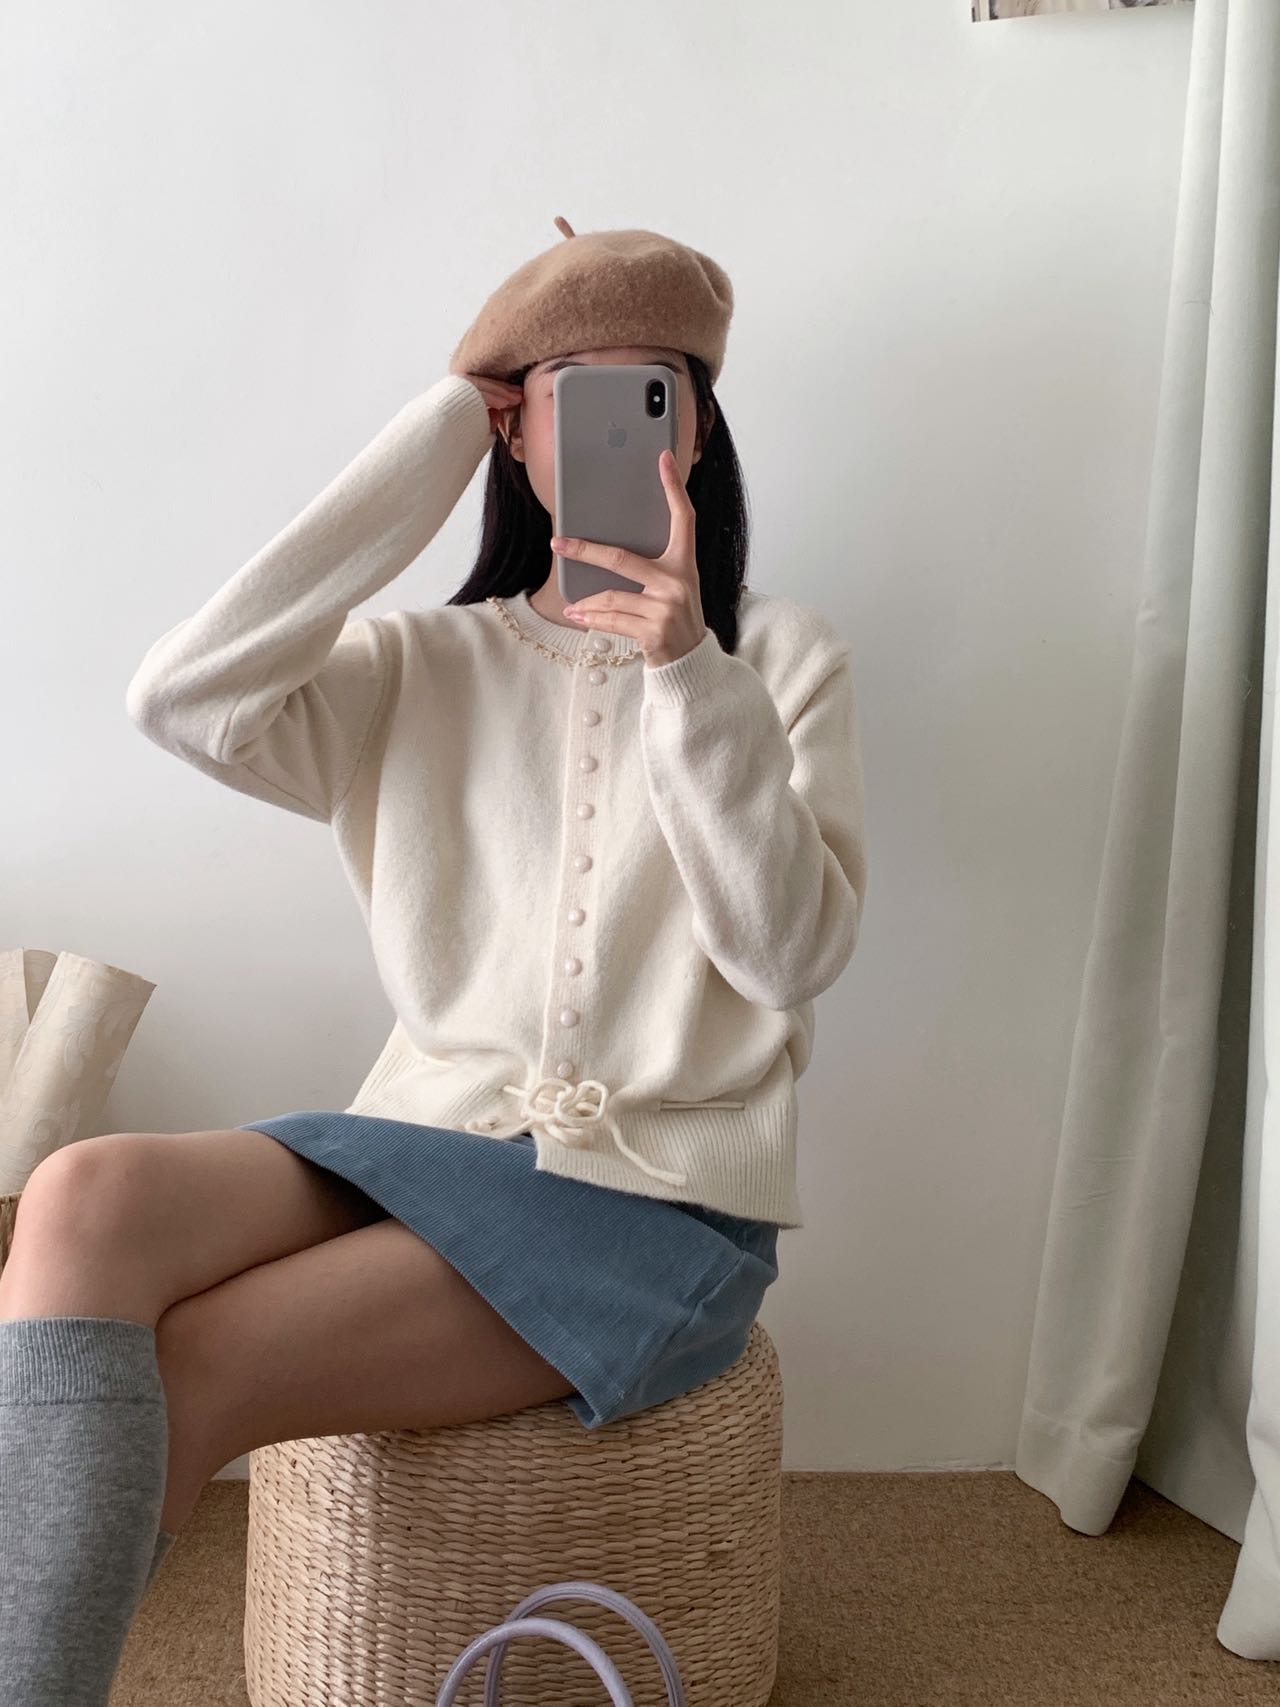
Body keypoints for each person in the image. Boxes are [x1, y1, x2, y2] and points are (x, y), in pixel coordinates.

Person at [0, 218, 867, 1704]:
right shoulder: (418, 666)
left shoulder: (776, 662)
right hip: (430, 1144)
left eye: (654, 397)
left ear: (698, 429)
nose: (620, 433)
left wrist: (686, 677)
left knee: (198, 1365)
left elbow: (787, 958)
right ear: (513, 431)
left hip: (663, 1204)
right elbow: (182, 698)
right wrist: (437, 433)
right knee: (82, 1193)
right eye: (568, 400)